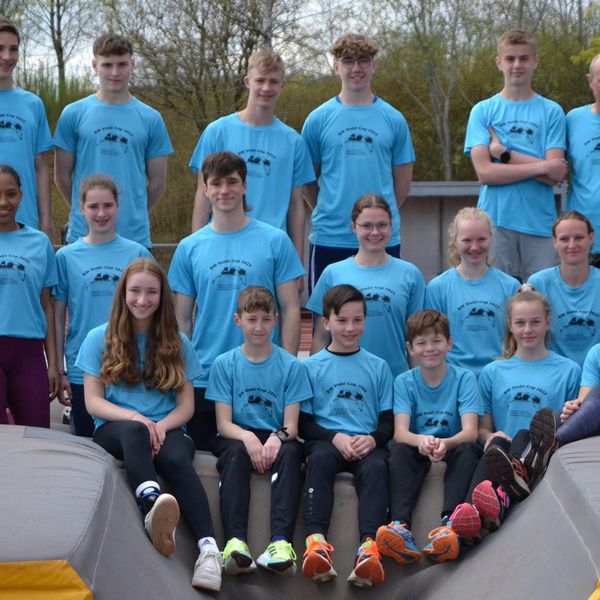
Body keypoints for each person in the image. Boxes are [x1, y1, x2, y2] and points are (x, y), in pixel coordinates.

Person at [75, 258, 222, 592]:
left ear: (162, 297)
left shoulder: (178, 343)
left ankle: (210, 552)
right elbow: (93, 402)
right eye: (135, 291)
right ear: (123, 293)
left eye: (151, 292)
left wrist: (159, 426)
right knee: (134, 431)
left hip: (168, 428)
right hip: (116, 427)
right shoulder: (100, 338)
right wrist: (138, 419)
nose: (143, 300)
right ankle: (152, 505)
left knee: (175, 459)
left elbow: (186, 406)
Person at [169, 151, 304, 451]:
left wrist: (288, 367)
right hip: (205, 375)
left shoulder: (275, 240)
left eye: (232, 182)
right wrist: (182, 373)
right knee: (208, 463)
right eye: (216, 183)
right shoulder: (189, 248)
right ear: (205, 189)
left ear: (245, 186)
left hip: (264, 374)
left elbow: (291, 309)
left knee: (273, 460)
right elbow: (181, 319)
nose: (224, 190)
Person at [453, 289, 580, 538]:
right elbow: (482, 429)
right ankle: (470, 514)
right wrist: (489, 436)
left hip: (540, 459)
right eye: (520, 323)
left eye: (535, 322)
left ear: (548, 323)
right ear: (510, 325)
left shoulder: (569, 370)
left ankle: (482, 511)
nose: (527, 329)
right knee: (501, 441)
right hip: (501, 454)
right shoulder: (492, 372)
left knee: (525, 434)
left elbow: (568, 425)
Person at [206, 286, 311, 577]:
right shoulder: (224, 365)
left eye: (266, 319)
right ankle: (235, 543)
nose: (259, 327)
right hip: (238, 434)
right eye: (252, 320)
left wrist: (276, 438)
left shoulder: (291, 366)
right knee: (235, 454)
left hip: (277, 432)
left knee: (291, 453)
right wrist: (248, 437)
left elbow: (292, 425)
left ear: (276, 320)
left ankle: (280, 544)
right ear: (238, 320)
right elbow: (223, 424)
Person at [302, 33, 415, 291]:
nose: (356, 68)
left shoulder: (393, 119)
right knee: (329, 322)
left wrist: (375, 220)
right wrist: (329, 208)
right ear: (335, 66)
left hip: (381, 239)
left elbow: (403, 184)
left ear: (373, 66)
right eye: (348, 61)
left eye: (363, 61)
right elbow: (308, 180)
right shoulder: (318, 119)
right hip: (330, 238)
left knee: (381, 315)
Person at [299, 284, 393, 588]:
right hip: (328, 442)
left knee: (379, 467)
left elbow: (388, 422)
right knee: (321, 459)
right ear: (326, 322)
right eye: (342, 320)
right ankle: (316, 543)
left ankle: (368, 548)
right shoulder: (311, 367)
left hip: (366, 443)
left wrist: (374, 439)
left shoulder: (378, 367)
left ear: (365, 321)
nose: (350, 328)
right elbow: (303, 424)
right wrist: (333, 437)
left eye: (357, 320)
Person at [376, 310, 481, 565]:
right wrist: (423, 441)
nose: (429, 348)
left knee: (469, 449)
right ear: (410, 348)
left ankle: (449, 525)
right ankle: (400, 525)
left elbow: (470, 431)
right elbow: (401, 432)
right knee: (398, 450)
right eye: (421, 343)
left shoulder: (465, 377)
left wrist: (446, 443)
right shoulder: (404, 381)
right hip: (418, 444)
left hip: (453, 442)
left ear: (449, 343)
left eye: (436, 341)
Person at [189, 49, 315, 263]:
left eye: (274, 81)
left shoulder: (293, 141)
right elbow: (203, 195)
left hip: (272, 252)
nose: (266, 88)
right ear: (248, 81)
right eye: (260, 80)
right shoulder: (217, 131)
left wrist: (296, 262)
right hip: (222, 245)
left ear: (282, 85)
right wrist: (195, 250)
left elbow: (296, 206)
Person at [464, 29, 568, 282]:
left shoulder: (552, 111)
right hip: (496, 222)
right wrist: (541, 167)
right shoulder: (483, 111)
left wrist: (504, 154)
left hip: (540, 224)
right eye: (510, 59)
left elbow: (554, 175)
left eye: (523, 58)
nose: (517, 65)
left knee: (541, 304)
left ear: (535, 61)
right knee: (498, 301)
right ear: (499, 62)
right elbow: (485, 173)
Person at [54, 174, 152, 436]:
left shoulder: (137, 253)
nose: (101, 213)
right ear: (81, 209)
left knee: (130, 445)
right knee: (88, 449)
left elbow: (155, 310)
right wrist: (59, 368)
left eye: (107, 205)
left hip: (130, 366)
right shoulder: (65, 257)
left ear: (118, 206)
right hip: (83, 368)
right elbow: (57, 316)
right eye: (93, 206)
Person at [54, 33, 173, 247]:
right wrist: (85, 211)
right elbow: (61, 177)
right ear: (94, 65)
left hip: (134, 237)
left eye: (122, 64)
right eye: (107, 65)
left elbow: (157, 184)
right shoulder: (73, 114)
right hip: (83, 235)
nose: (115, 72)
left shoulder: (151, 118)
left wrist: (133, 212)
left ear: (133, 65)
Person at [307, 193, 424, 377]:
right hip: (343, 380)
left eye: (382, 225)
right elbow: (321, 336)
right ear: (354, 227)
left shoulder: (410, 274)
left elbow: (416, 337)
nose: (375, 232)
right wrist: (314, 380)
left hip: (395, 380)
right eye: (367, 226)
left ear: (391, 226)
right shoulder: (333, 273)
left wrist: (417, 385)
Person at [426, 207, 520, 375]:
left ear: (491, 238)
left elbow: (516, 339)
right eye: (467, 240)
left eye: (481, 239)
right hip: (455, 377)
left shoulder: (510, 286)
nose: (474, 247)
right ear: (455, 240)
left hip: (499, 374)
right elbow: (432, 341)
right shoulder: (437, 288)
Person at [0, 163, 60, 426]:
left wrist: (54, 364)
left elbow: (47, 305)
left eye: (11, 194)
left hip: (28, 353)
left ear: (21, 196)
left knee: (37, 433)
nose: (4, 202)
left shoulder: (39, 243)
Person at [0, 20, 53, 237]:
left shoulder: (33, 104)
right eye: (0, 48)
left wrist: (47, 222)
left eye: (13, 49)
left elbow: (40, 167)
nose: (7, 56)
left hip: (25, 223)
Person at [528, 211, 600, 367]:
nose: (572, 245)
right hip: (553, 374)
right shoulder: (539, 283)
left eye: (579, 237)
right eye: (564, 239)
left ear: (591, 237)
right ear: (554, 242)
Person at [565, 54, 600, 266]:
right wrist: (501, 151)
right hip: (581, 239)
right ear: (590, 81)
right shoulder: (573, 120)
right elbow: (552, 166)